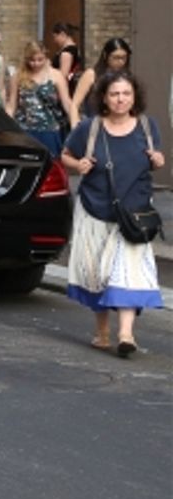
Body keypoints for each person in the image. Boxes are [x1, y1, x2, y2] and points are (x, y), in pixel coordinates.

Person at [61, 71, 164, 355]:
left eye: (126, 94)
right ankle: (102, 331)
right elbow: (66, 155)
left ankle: (126, 334)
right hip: (95, 209)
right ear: (104, 98)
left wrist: (158, 160)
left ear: (134, 97)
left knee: (129, 272)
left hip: (134, 212)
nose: (121, 99)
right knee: (99, 274)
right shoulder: (90, 128)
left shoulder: (146, 126)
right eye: (115, 94)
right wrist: (78, 164)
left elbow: (158, 158)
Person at [5, 40, 73, 156]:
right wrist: (6, 126)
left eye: (40, 59)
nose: (36, 63)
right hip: (25, 130)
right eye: (32, 60)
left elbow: (67, 103)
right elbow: (11, 105)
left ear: (45, 57)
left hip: (49, 130)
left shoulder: (56, 75)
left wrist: (75, 125)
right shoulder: (17, 76)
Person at [70, 38, 132, 125]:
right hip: (93, 125)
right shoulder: (92, 74)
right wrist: (75, 128)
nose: (120, 62)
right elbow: (75, 104)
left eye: (124, 58)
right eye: (116, 57)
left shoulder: (126, 77)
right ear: (105, 55)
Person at [51, 22, 82, 95]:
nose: (54, 40)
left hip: (65, 89)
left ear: (62, 34)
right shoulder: (75, 49)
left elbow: (63, 75)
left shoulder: (67, 53)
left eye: (55, 37)